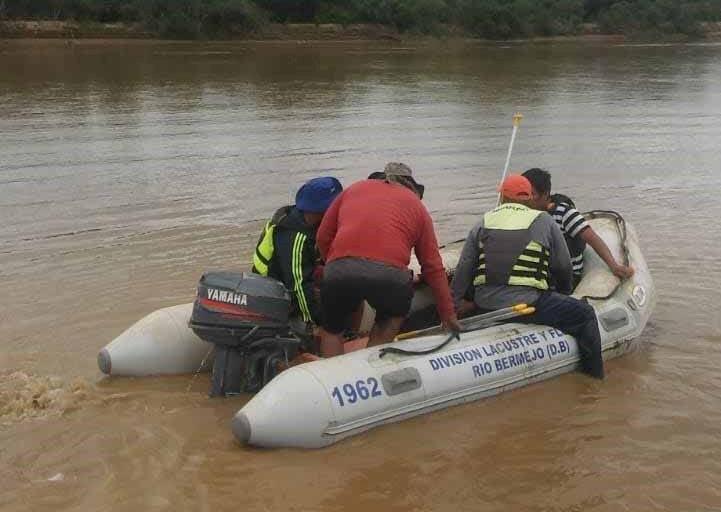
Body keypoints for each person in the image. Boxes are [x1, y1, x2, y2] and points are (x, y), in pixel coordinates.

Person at [451, 173, 604, 379]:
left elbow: (464, 268)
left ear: (502, 197)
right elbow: (563, 266)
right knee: (584, 314)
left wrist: (454, 304)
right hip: (528, 304)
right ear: (528, 198)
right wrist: (564, 293)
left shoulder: (483, 222)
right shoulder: (544, 221)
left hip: (484, 303)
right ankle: (594, 379)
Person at [316, 161, 460, 357]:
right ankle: (370, 366)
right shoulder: (417, 207)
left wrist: (334, 265)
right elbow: (432, 267)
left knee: (332, 329)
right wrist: (448, 314)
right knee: (389, 320)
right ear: (412, 187)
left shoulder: (354, 189)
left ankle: (333, 377)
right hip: (390, 276)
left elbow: (323, 237)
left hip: (339, 268)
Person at [252, 176, 342, 326]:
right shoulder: (295, 236)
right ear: (324, 209)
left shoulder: (307, 220)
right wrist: (314, 321)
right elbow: (298, 285)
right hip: (273, 286)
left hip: (291, 275)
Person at [522, 167, 634, 288]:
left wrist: (614, 266)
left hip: (565, 277)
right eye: (523, 194)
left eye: (532, 194)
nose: (527, 199)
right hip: (539, 275)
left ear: (545, 194)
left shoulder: (564, 212)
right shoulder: (523, 214)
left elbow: (592, 238)